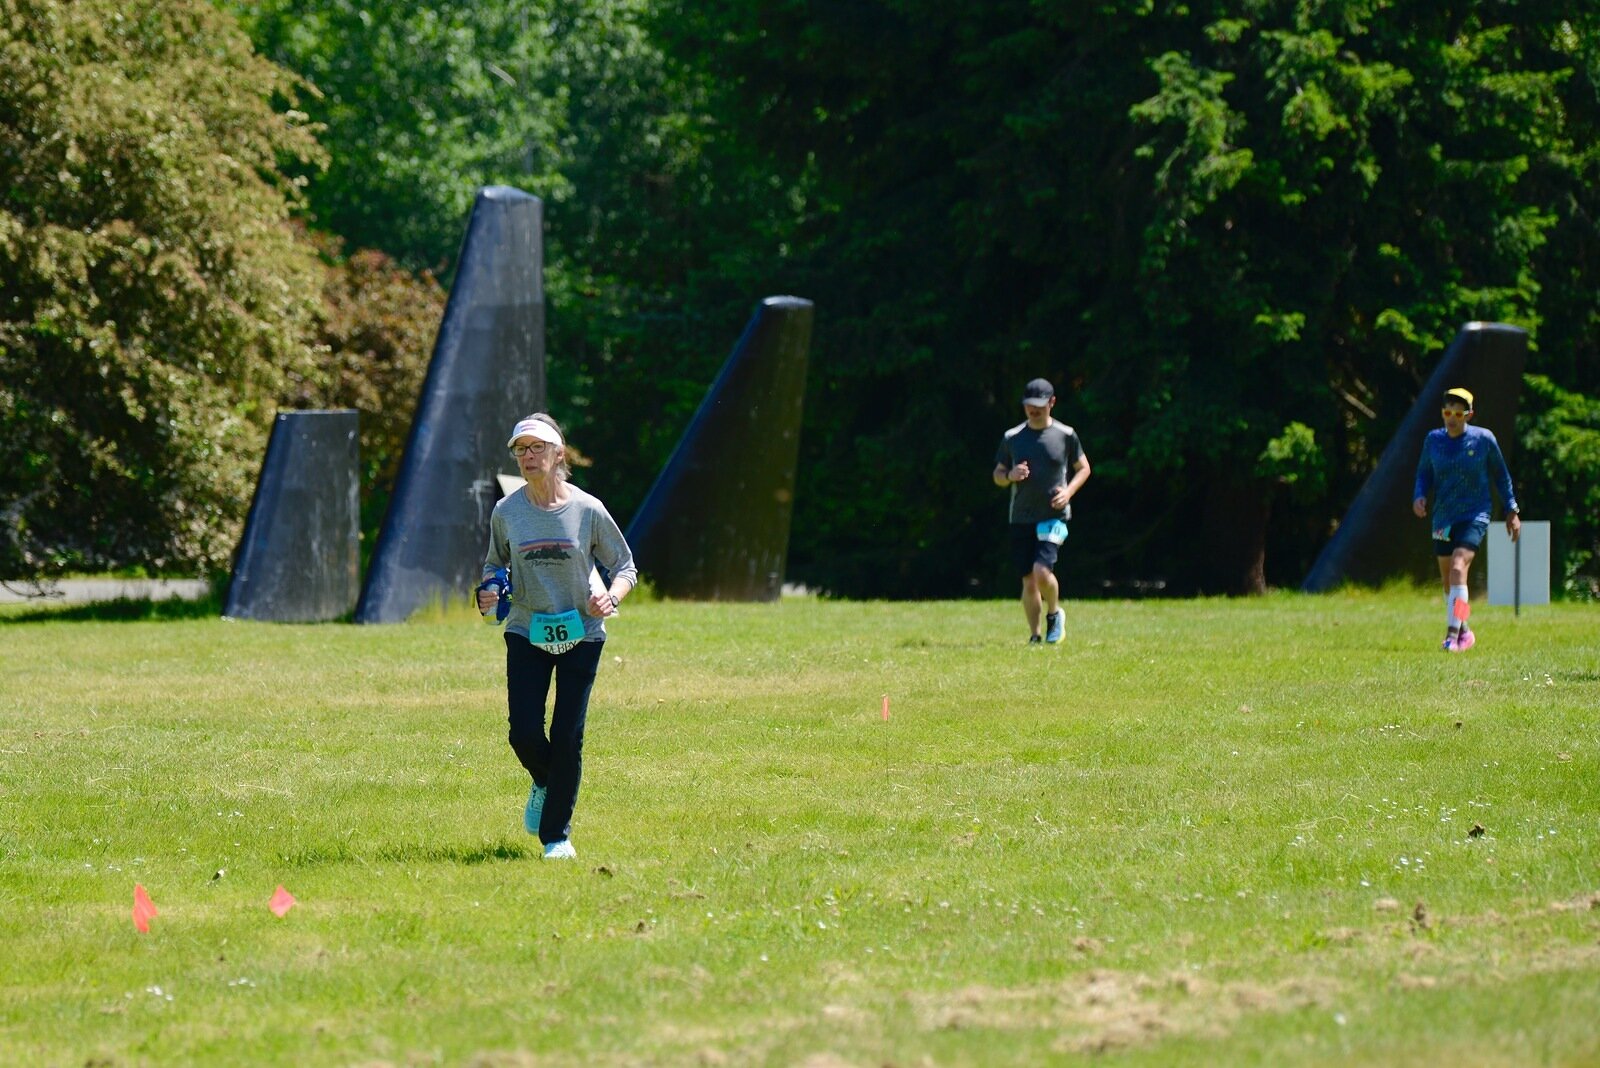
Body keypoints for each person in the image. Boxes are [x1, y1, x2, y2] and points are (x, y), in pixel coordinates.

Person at [478, 414, 637, 859]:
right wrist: (489, 589)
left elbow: (625, 567)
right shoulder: (507, 512)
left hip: (582, 632)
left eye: (537, 448)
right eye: (520, 449)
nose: (528, 456)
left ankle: (556, 837)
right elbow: (494, 564)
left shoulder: (588, 509)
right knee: (524, 733)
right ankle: (546, 781)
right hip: (526, 629)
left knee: (568, 735)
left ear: (558, 454)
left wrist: (611, 597)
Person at [1412, 387, 1520, 652]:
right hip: (1443, 517)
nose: (1452, 418)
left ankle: (1452, 636)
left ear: (1469, 415)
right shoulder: (1433, 440)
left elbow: (1501, 475)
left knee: (1458, 568)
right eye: (1447, 412)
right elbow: (1424, 472)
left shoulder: (1483, 439)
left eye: (1458, 414)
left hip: (1475, 514)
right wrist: (1419, 496)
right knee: (1449, 581)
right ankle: (1465, 630)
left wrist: (1511, 510)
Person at [993, 378, 1091, 644]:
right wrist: (1010, 475)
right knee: (1028, 581)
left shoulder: (1066, 434)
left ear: (1052, 402)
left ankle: (1054, 613)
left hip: (1054, 516)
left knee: (1041, 571)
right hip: (1021, 517)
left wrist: (1068, 492)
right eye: (1029, 405)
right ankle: (1035, 635)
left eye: (1039, 404)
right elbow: (998, 475)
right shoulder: (1012, 437)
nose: (1033, 410)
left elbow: (1084, 468)